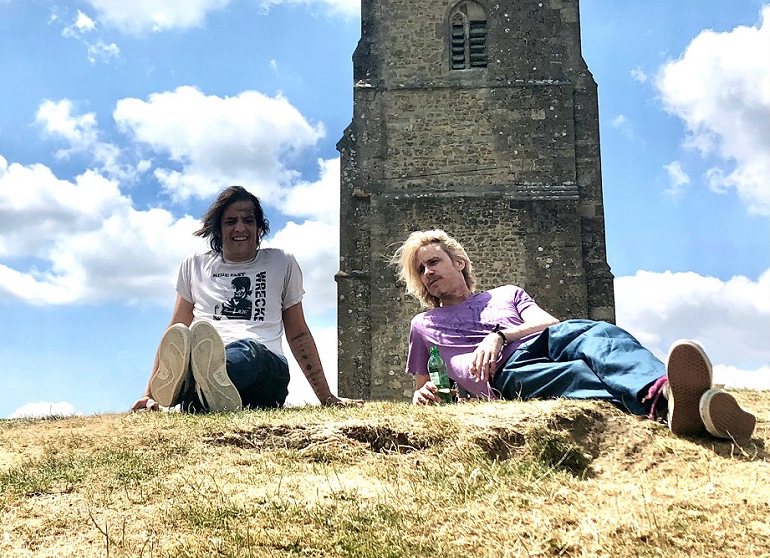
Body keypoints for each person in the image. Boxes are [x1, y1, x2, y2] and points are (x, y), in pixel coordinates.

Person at [393, 229, 756, 444]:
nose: (427, 272)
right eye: (420, 269)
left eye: (433, 262)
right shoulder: (423, 324)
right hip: (504, 376)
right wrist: (422, 395)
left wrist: (500, 335)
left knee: (598, 333)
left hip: (541, 340)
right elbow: (421, 387)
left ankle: (664, 392)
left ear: (458, 262)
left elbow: (549, 323)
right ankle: (681, 408)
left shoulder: (507, 293)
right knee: (580, 377)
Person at [132, 186, 359, 412]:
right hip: (208, 355)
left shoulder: (282, 263)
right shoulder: (195, 264)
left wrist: (326, 396)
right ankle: (203, 391)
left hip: (265, 367)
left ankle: (194, 385)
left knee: (249, 350)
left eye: (248, 220)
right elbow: (175, 333)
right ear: (219, 229)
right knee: (191, 344)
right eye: (231, 221)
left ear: (259, 228)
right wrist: (149, 394)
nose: (240, 228)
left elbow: (298, 333)